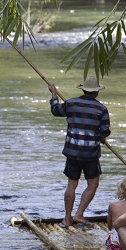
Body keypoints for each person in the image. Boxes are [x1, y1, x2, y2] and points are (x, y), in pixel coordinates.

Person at [48, 76, 111, 228]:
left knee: (71, 184)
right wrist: (102, 137)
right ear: (96, 92)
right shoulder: (101, 109)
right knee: (93, 184)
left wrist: (54, 94)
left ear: (83, 89)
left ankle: (68, 218)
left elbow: (56, 111)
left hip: (72, 151)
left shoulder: (71, 103)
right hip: (90, 153)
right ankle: (79, 214)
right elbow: (105, 131)